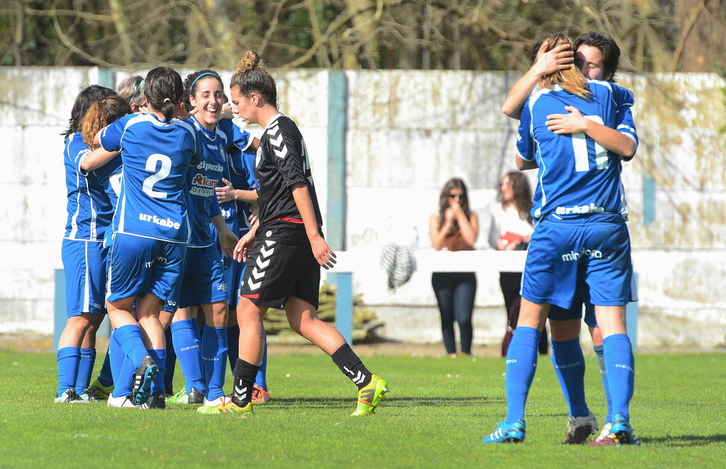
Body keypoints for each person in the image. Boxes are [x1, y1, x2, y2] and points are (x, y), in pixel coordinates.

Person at [204, 50, 388, 415]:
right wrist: (254, 232)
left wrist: (314, 234)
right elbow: (276, 194)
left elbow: (298, 184)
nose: (235, 108)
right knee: (302, 318)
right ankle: (367, 382)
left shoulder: (279, 131)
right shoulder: (274, 133)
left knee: (248, 308)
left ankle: (240, 401)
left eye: (238, 102)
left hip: (288, 234)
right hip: (284, 232)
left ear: (256, 99)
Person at [482, 33, 639, 446]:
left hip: (558, 229)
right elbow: (622, 138)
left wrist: (547, 79)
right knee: (575, 328)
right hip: (605, 227)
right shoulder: (615, 96)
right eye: (580, 62)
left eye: (594, 65)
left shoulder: (537, 102)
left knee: (529, 323)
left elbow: (519, 150)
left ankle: (516, 421)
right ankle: (594, 419)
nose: (587, 71)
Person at [90, 66, 205, 409]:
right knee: (151, 313)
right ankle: (155, 395)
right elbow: (194, 160)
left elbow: (100, 141)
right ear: (181, 98)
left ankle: (143, 361)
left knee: (117, 307)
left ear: (145, 97)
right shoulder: (189, 133)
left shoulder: (131, 124)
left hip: (134, 231)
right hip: (174, 236)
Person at [55, 84, 120, 403]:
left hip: (104, 239)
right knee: (79, 317)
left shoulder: (98, 143)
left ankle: (80, 390)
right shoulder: (75, 142)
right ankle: (64, 389)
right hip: (83, 239)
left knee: (95, 318)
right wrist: (125, 140)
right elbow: (87, 164)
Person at [488, 172, 548, 357]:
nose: (502, 188)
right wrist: (501, 245)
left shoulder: (532, 209)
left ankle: (542, 351)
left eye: (506, 184)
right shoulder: (498, 209)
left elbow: (542, 233)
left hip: (532, 269)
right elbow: (492, 237)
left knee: (536, 312)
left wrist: (527, 240)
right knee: (512, 311)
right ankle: (514, 353)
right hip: (508, 268)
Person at [428, 178, 479, 357]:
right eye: (452, 196)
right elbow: (436, 243)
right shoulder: (436, 217)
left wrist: (459, 215)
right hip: (442, 272)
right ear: (446, 196)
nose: (456, 200)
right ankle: (450, 353)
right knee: (446, 315)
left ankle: (465, 352)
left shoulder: (471, 215)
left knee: (464, 317)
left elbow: (471, 238)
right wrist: (448, 221)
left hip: (465, 272)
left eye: (460, 196)